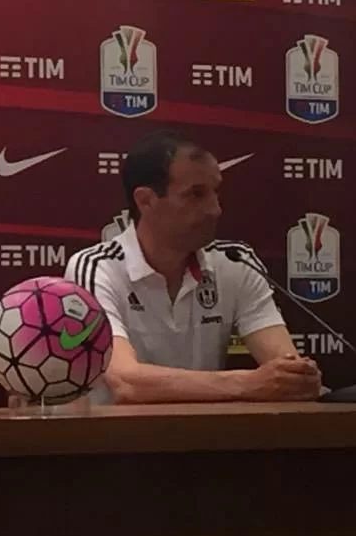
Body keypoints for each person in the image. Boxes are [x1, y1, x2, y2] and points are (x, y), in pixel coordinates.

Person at [62, 130, 321, 404]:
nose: (215, 209)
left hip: (208, 430)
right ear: (146, 201)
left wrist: (297, 377)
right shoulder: (97, 267)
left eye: (215, 192)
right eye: (196, 194)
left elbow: (286, 371)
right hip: (121, 431)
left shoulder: (235, 261)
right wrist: (249, 383)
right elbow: (125, 382)